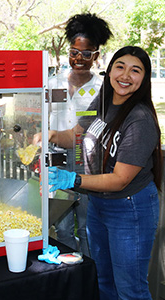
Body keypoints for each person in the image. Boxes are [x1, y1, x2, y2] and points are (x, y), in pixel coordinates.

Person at [40, 46, 162, 300]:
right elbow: (76, 134)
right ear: (109, 71)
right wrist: (50, 134)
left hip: (130, 209)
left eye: (135, 70)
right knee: (103, 280)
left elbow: (120, 179)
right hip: (99, 204)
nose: (126, 75)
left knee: (130, 289)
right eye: (120, 66)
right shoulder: (101, 102)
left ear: (144, 78)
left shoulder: (140, 120)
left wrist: (73, 179)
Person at [49, 13, 112, 257]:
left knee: (87, 226)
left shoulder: (103, 90)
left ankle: (90, 275)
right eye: (75, 52)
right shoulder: (52, 83)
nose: (79, 59)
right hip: (58, 161)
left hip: (88, 162)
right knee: (61, 226)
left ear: (96, 55)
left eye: (86, 54)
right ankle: (69, 274)